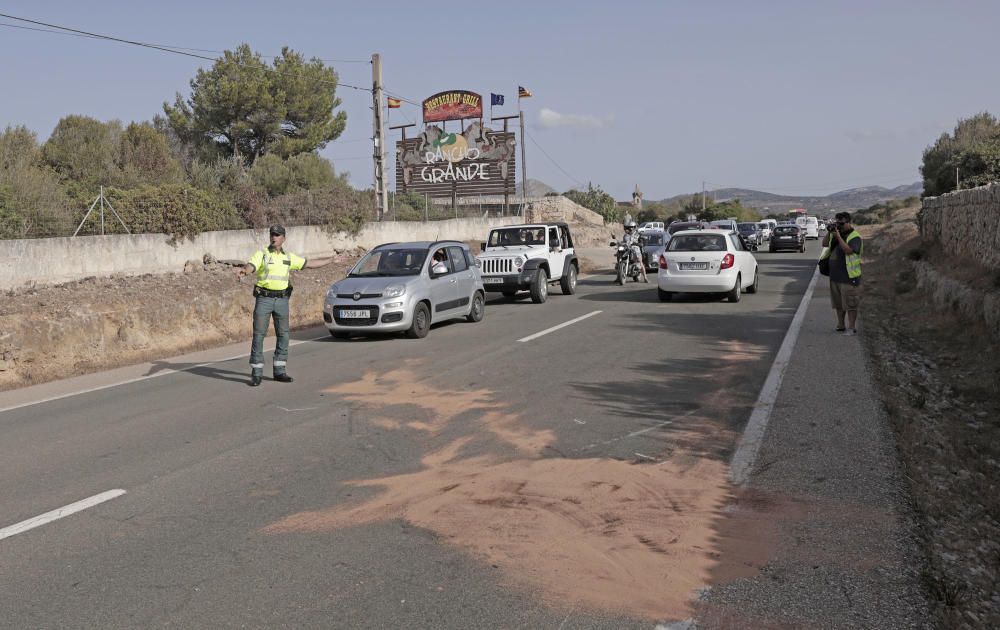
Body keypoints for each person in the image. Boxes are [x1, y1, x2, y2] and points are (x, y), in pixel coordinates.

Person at [235, 225, 337, 386]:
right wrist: (244, 271)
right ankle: (256, 373)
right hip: (264, 299)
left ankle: (279, 370)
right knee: (259, 335)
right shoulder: (262, 254)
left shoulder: (288, 257)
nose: (274, 237)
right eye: (272, 234)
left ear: (283, 238)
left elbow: (309, 263)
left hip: (282, 300)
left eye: (277, 235)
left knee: (283, 335)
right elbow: (251, 265)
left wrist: (331, 260)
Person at [820, 212, 863, 335]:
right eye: (837, 223)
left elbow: (849, 251)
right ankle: (841, 325)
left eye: (842, 223)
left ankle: (851, 328)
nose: (839, 226)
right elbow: (824, 244)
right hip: (835, 276)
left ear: (849, 222)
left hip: (849, 277)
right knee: (838, 304)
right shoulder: (835, 235)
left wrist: (838, 237)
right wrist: (830, 232)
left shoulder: (855, 237)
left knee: (850, 303)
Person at [618, 216, 649, 283]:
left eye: (632, 227)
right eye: (629, 227)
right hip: (627, 249)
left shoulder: (638, 234)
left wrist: (639, 243)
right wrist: (618, 243)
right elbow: (624, 241)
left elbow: (641, 242)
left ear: (634, 227)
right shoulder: (626, 235)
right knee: (619, 257)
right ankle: (618, 277)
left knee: (640, 263)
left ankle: (645, 278)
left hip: (636, 250)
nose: (630, 229)